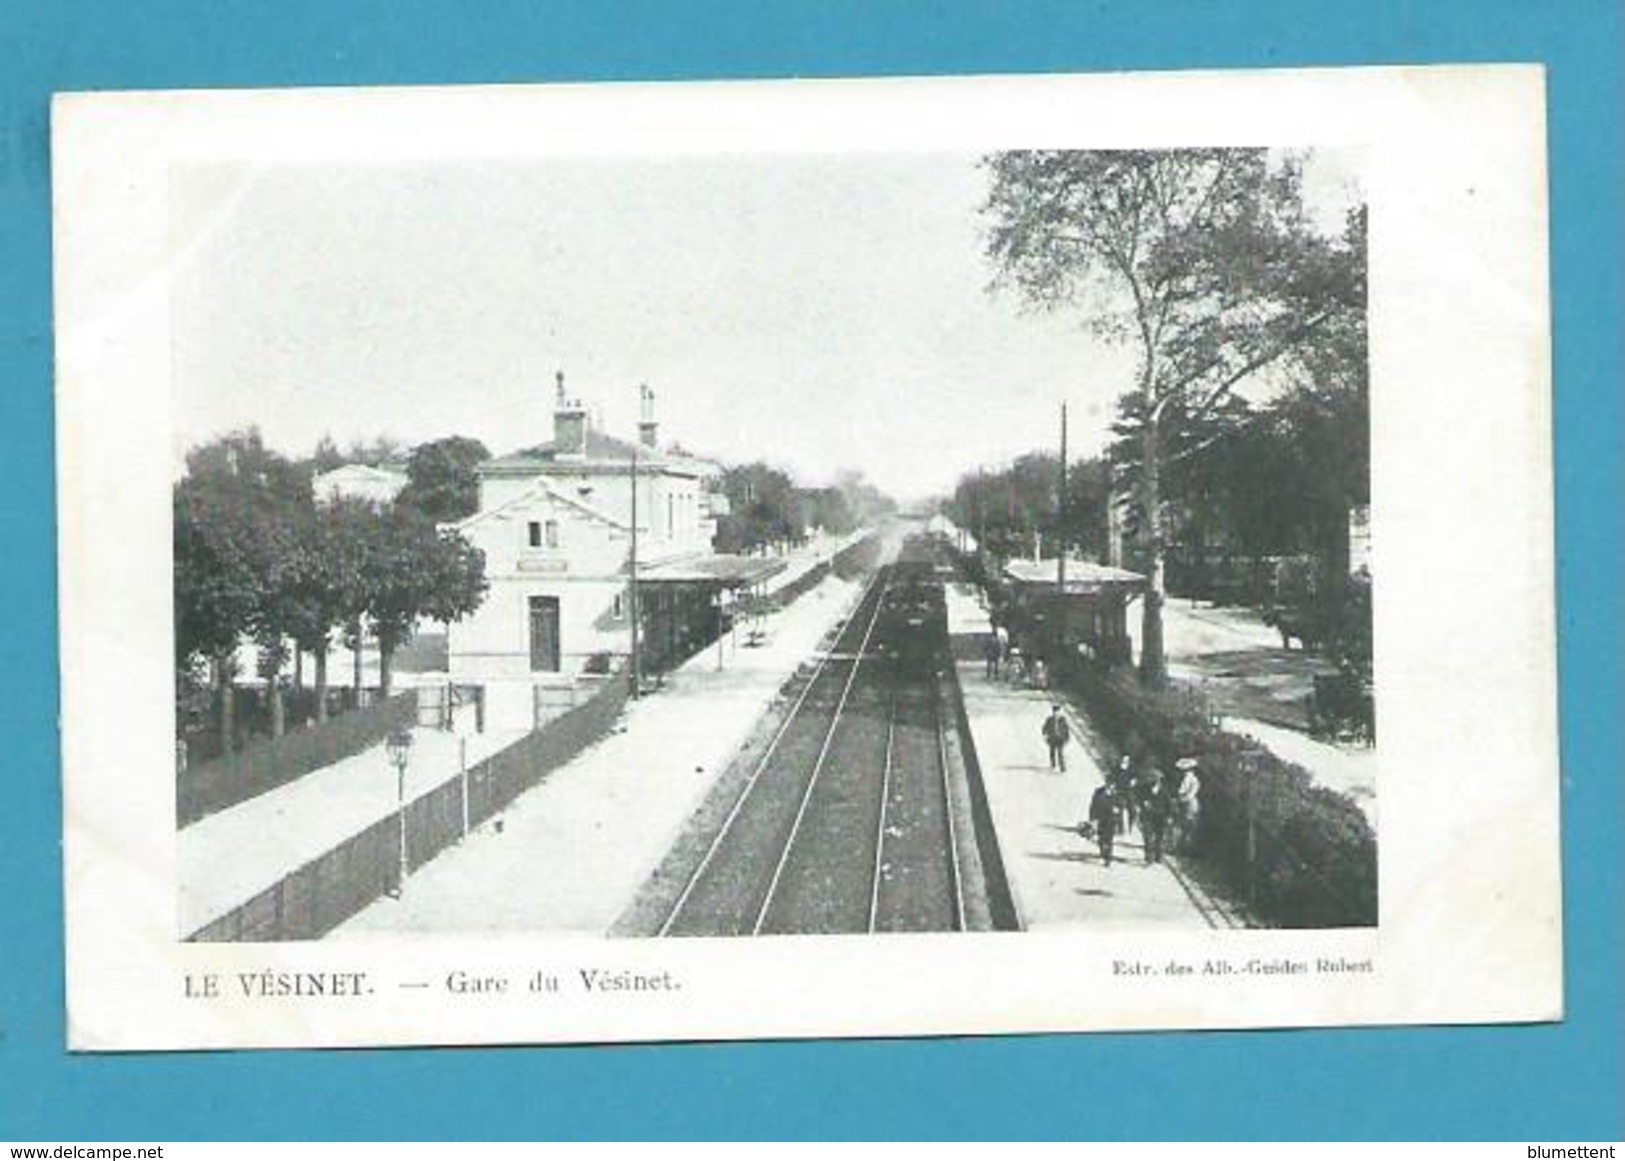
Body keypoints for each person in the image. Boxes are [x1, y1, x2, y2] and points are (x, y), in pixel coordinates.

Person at [1139, 766, 1170, 865]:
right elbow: (1137, 797)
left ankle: (1158, 856)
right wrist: (1142, 803)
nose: (1154, 782)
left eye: (1156, 780)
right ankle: (1149, 858)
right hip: (1148, 817)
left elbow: (1170, 805)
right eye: (1152, 779)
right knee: (1147, 837)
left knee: (1159, 838)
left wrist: (1169, 817)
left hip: (1161, 818)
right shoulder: (1144, 788)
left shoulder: (1165, 791)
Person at [1086, 780, 1120, 867]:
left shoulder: (1117, 793)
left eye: (1112, 784)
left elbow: (1121, 805)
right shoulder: (1098, 791)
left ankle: (1108, 858)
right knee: (1101, 838)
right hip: (1100, 818)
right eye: (1109, 783)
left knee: (1109, 839)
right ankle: (1103, 851)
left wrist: (1117, 811)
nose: (1111, 786)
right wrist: (1092, 819)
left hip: (1111, 819)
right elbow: (1093, 805)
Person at [1041, 704, 1071, 772]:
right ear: (1053, 712)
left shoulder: (1063, 719)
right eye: (1055, 712)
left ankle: (1062, 767)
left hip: (1061, 738)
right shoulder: (1049, 719)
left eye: (1057, 712)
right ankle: (1053, 764)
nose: (1056, 713)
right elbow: (1045, 727)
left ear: (1060, 712)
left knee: (1060, 753)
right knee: (1052, 752)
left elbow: (1066, 728)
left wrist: (1067, 737)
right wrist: (1044, 734)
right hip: (1052, 738)